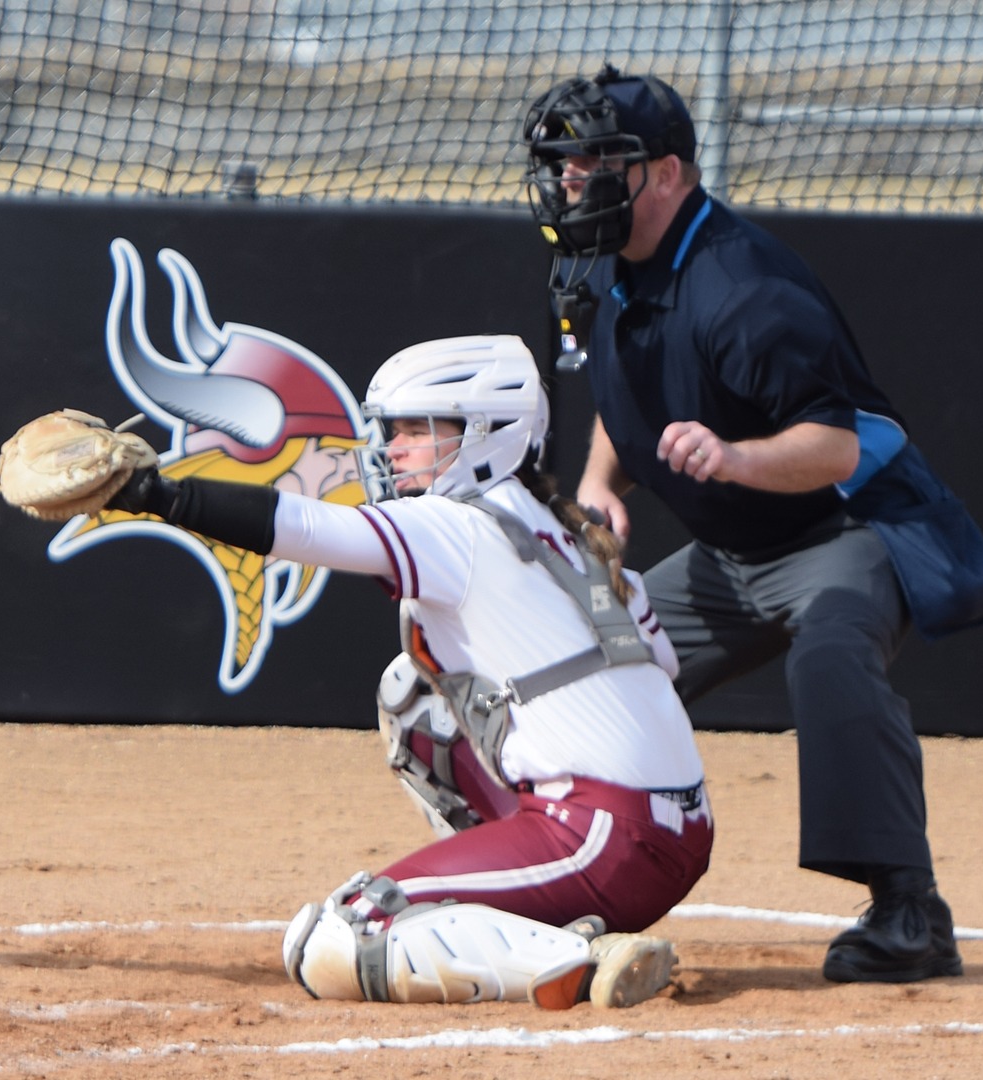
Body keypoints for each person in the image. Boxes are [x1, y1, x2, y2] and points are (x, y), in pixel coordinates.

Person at [521, 66, 983, 985]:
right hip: (728, 554)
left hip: (847, 534)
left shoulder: (746, 291)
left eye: (597, 165)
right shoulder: (617, 266)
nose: (574, 184)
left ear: (665, 174)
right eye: (567, 166)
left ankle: (912, 912)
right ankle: (552, 879)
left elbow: (835, 447)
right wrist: (599, 481)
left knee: (829, 657)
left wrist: (738, 458)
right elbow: (629, 404)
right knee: (588, 660)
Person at [103, 333, 713, 1010]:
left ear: (490, 435)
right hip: (676, 831)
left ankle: (585, 958)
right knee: (414, 701)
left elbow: (304, 527)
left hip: (601, 837)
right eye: (392, 431)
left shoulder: (456, 522)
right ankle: (534, 910)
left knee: (338, 935)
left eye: (416, 431)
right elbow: (663, 667)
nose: (392, 448)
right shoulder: (566, 528)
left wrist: (154, 493)